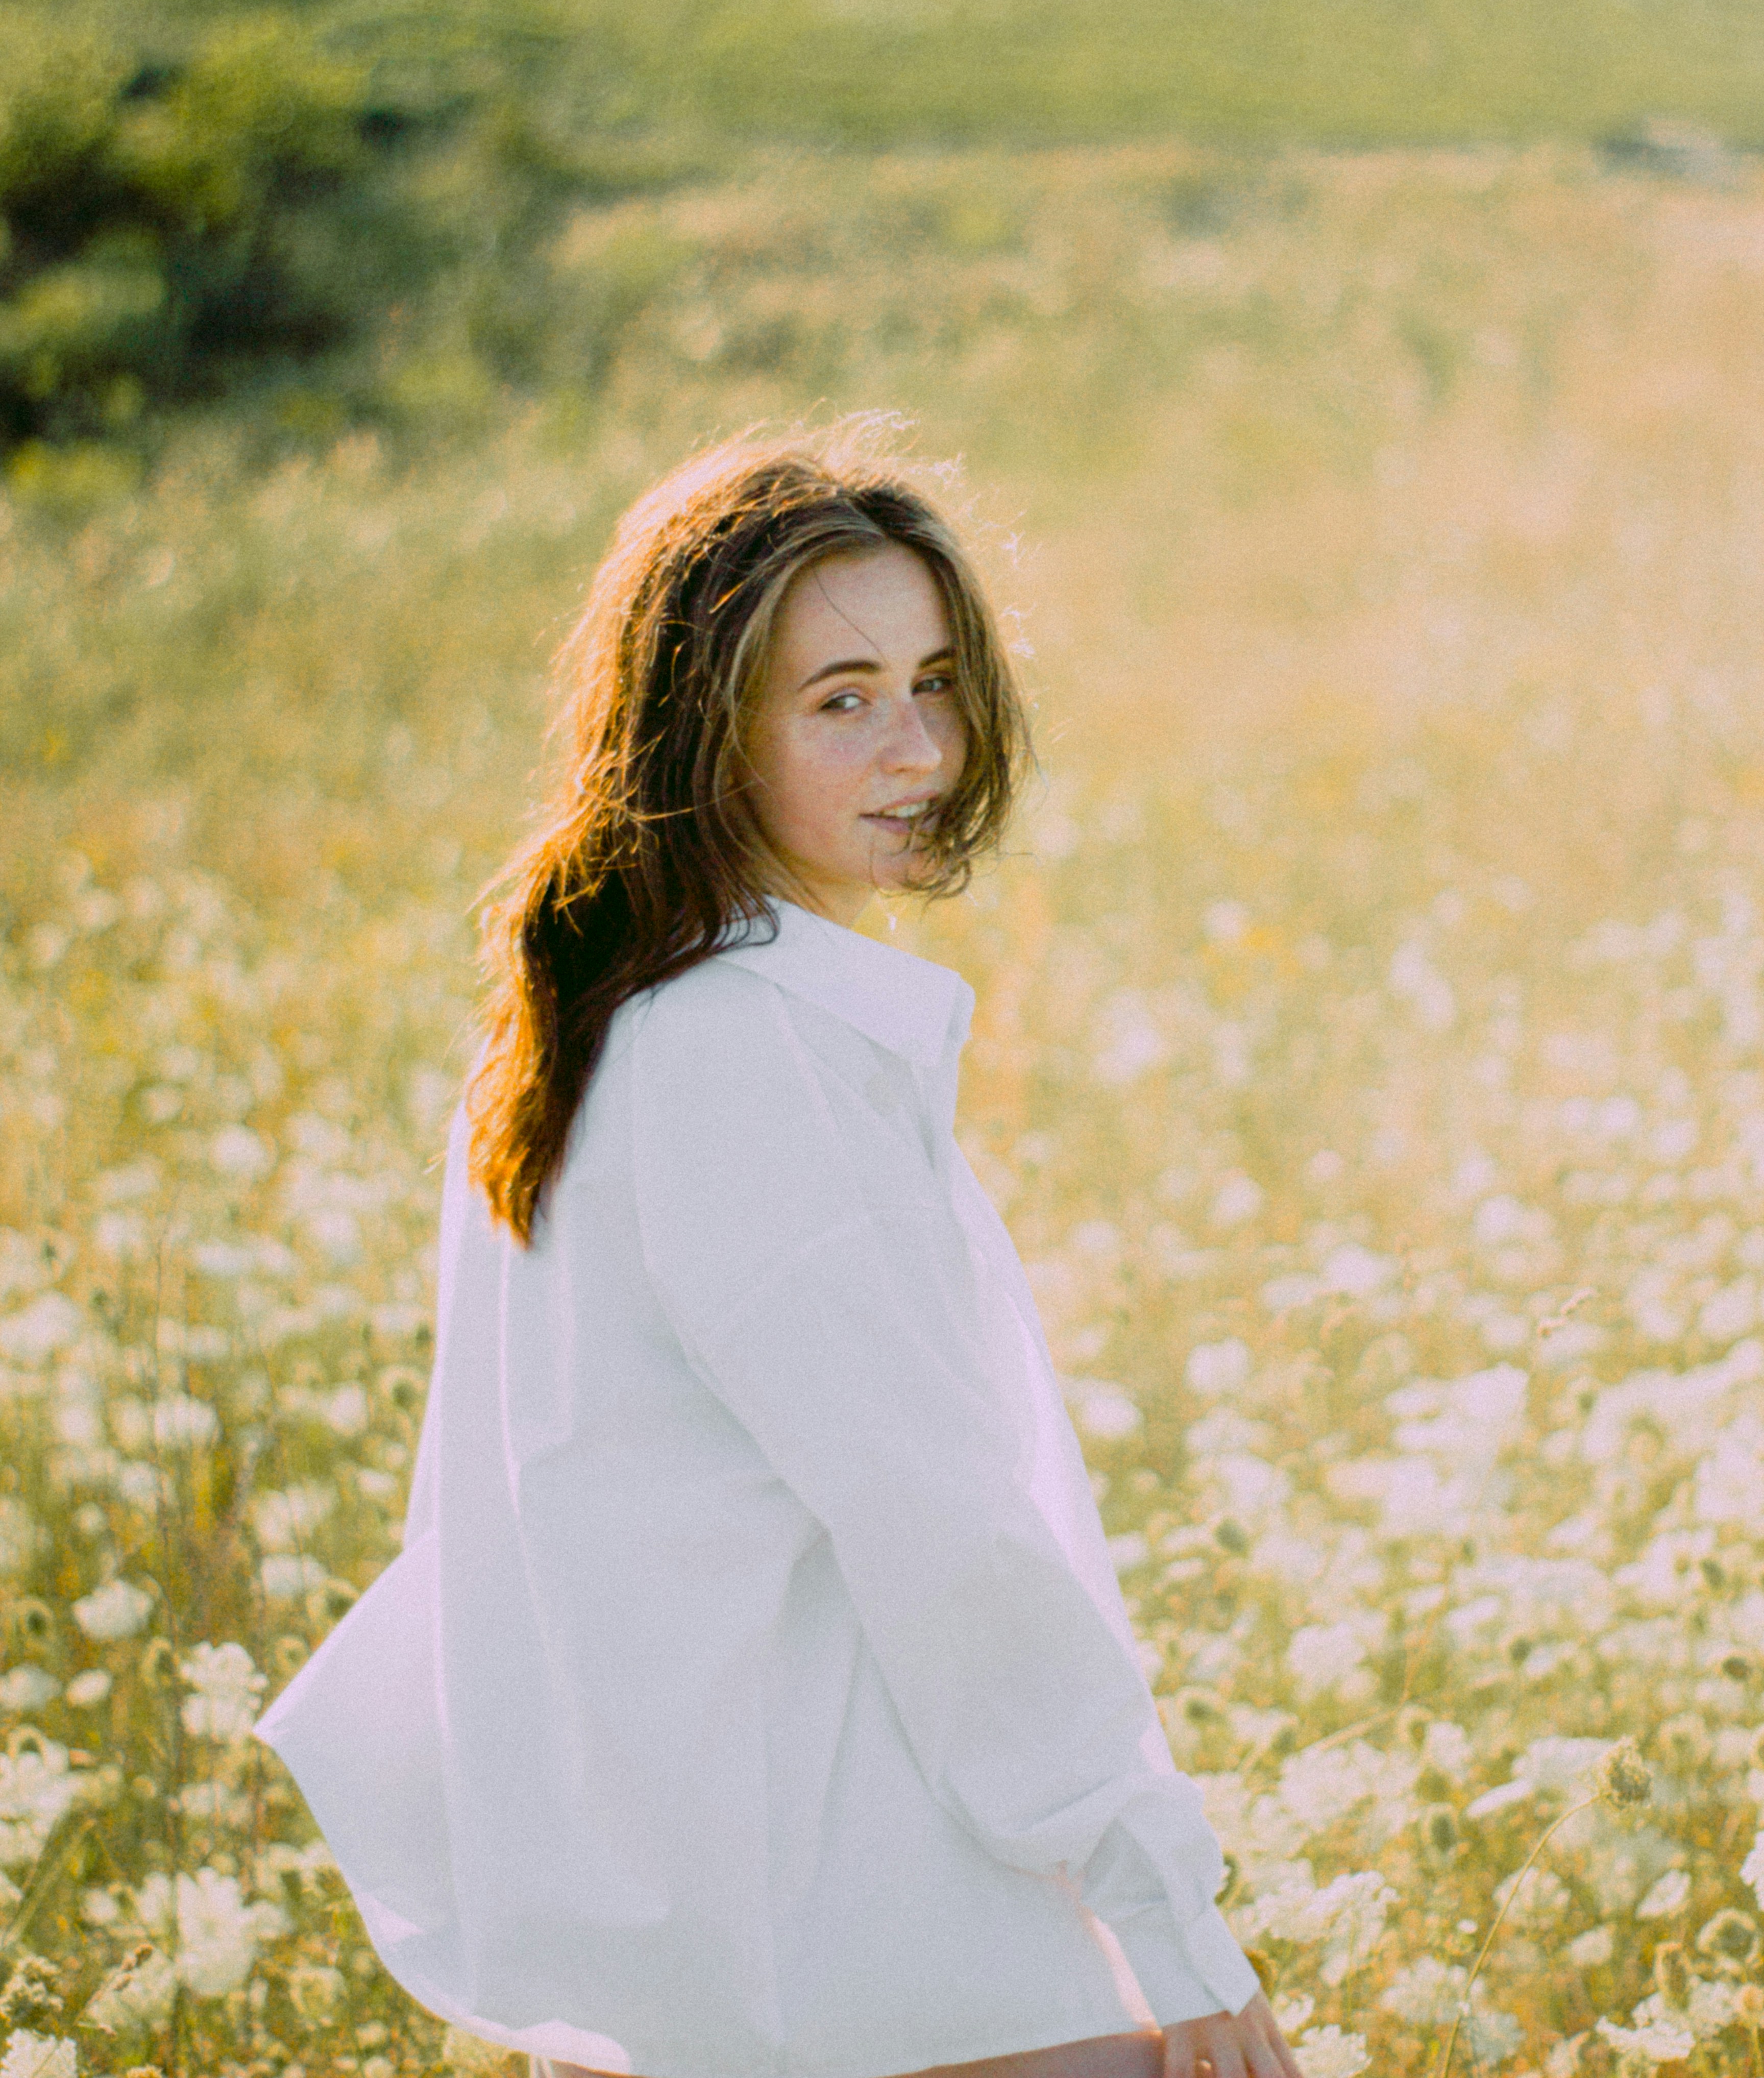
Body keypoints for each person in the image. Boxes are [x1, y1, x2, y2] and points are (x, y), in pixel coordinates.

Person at [253, 415, 1303, 2078]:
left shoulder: (614, 1020)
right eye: (842, 699)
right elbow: (937, 1521)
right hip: (853, 1927)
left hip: (698, 1945)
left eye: (937, 680)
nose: (919, 749)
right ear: (705, 732)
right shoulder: (743, 1056)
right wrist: (1162, 1913)